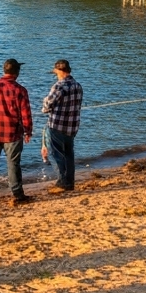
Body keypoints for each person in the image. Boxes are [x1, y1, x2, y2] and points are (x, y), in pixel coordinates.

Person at [0, 58, 34, 206]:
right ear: (17, 72)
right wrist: (28, 131)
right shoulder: (20, 90)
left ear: (4, 70)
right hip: (13, 134)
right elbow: (26, 114)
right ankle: (17, 194)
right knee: (13, 164)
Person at [41, 59, 84, 193]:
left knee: (56, 155)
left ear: (59, 71)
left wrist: (44, 104)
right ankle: (69, 182)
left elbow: (47, 105)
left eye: (55, 72)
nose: (55, 75)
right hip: (72, 126)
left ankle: (62, 182)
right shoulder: (77, 85)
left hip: (57, 125)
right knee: (69, 155)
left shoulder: (59, 86)